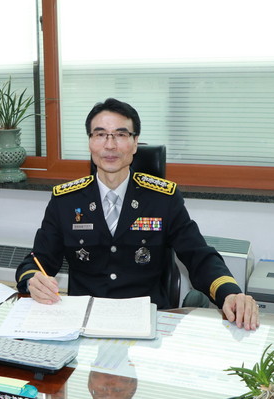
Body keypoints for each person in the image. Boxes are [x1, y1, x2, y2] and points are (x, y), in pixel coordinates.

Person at [15, 98, 259, 330]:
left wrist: (231, 293)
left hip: (148, 322)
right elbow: (37, 261)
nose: (110, 145)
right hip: (85, 322)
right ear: (90, 142)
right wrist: (33, 279)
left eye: (121, 135)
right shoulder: (66, 201)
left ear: (134, 143)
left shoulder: (162, 199)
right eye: (100, 134)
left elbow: (199, 256)